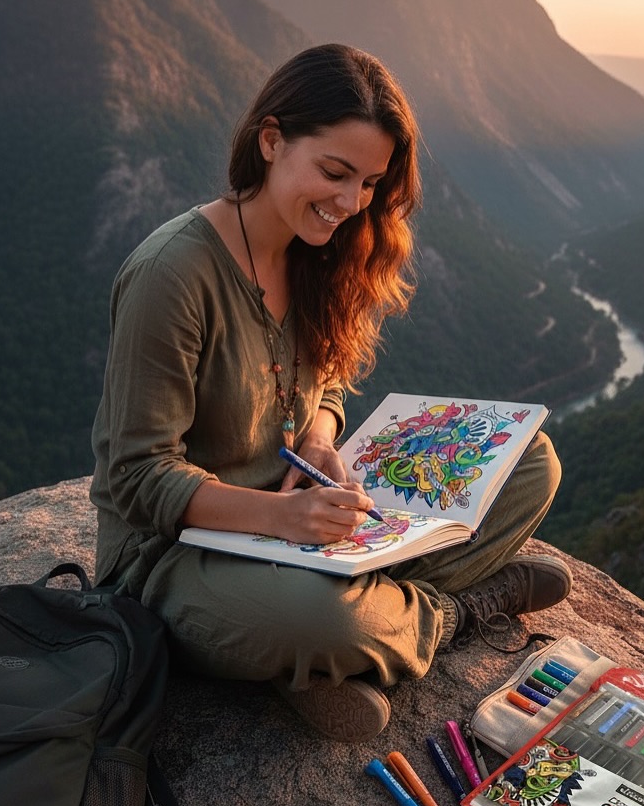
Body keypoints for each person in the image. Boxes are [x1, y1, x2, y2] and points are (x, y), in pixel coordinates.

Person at [90, 43, 570, 742]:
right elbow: (137, 477)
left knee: (531, 464)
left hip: (302, 521)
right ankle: (447, 614)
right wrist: (281, 519)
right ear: (272, 140)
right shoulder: (174, 274)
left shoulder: (317, 250)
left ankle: (323, 659)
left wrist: (319, 437)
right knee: (330, 619)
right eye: (336, 172)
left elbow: (327, 381)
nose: (351, 203)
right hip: (176, 555)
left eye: (371, 182)